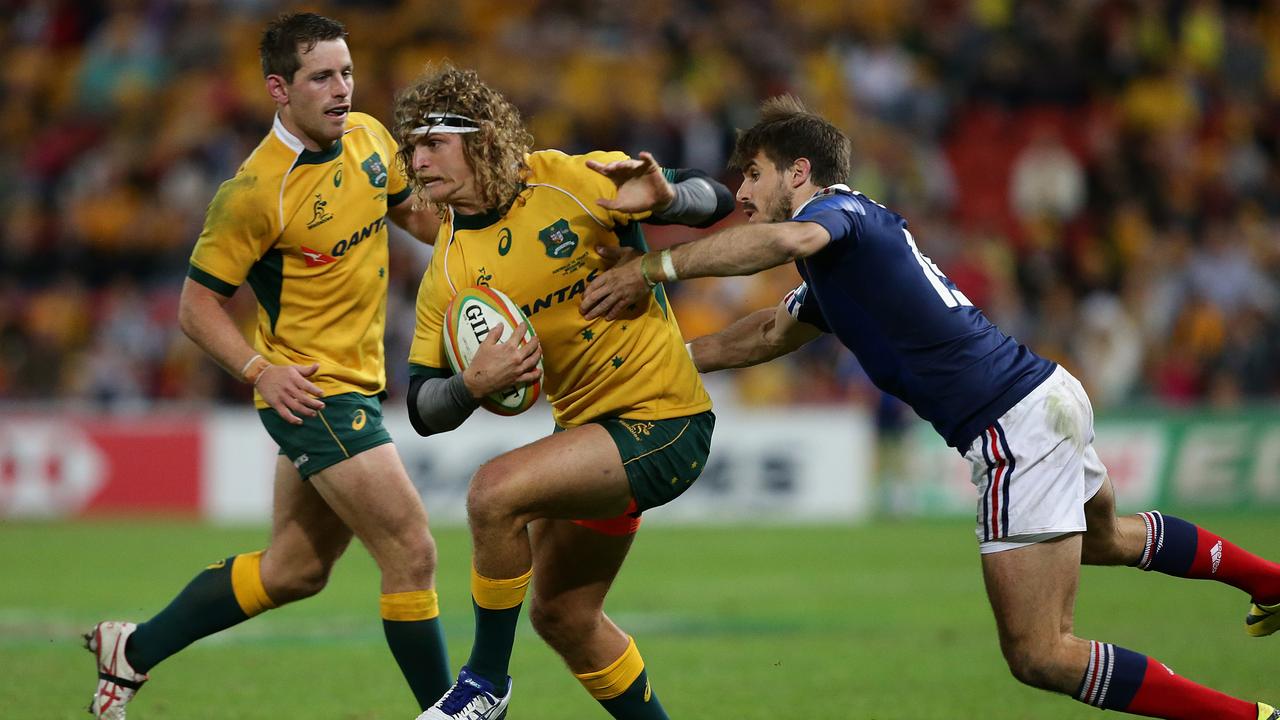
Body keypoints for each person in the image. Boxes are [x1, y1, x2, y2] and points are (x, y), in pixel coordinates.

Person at [581, 95, 1280, 720]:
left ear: (800, 173)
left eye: (754, 174)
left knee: (1040, 653)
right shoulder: (838, 259)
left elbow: (788, 239)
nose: (741, 191)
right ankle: (1272, 583)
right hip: (1044, 395)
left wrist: (654, 267)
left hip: (1012, 426)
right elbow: (766, 332)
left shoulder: (838, 214)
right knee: (1103, 540)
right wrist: (662, 361)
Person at [85, 13, 451, 719]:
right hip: (314, 395)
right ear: (279, 88)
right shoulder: (254, 192)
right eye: (322, 77)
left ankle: (131, 649)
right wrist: (261, 371)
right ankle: (451, 711)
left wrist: (485, 250)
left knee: (295, 571)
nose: (342, 89)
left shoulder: (371, 137)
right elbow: (196, 308)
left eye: (346, 72)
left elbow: (420, 220)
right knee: (412, 550)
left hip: (360, 386)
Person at [392, 64, 734, 720]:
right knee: (565, 616)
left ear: (484, 137)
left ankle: (486, 683)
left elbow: (715, 200)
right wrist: (471, 384)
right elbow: (422, 407)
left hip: (663, 420)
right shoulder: (447, 268)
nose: (418, 159)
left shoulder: (571, 180)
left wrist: (665, 202)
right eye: (411, 147)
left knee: (493, 495)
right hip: (589, 439)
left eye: (433, 141)